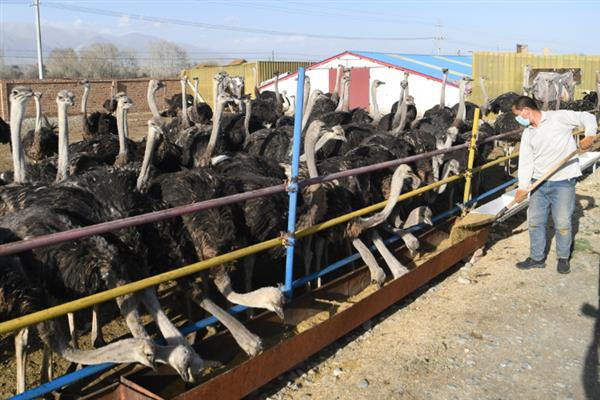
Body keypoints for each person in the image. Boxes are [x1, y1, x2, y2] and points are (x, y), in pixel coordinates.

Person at [512, 96, 597, 274]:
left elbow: (587, 117)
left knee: (563, 222)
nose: (517, 119)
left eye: (518, 115)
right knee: (535, 221)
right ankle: (536, 258)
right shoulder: (528, 133)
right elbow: (526, 162)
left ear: (526, 111)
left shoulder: (558, 117)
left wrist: (589, 134)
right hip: (538, 184)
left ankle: (563, 257)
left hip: (563, 182)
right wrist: (522, 187)